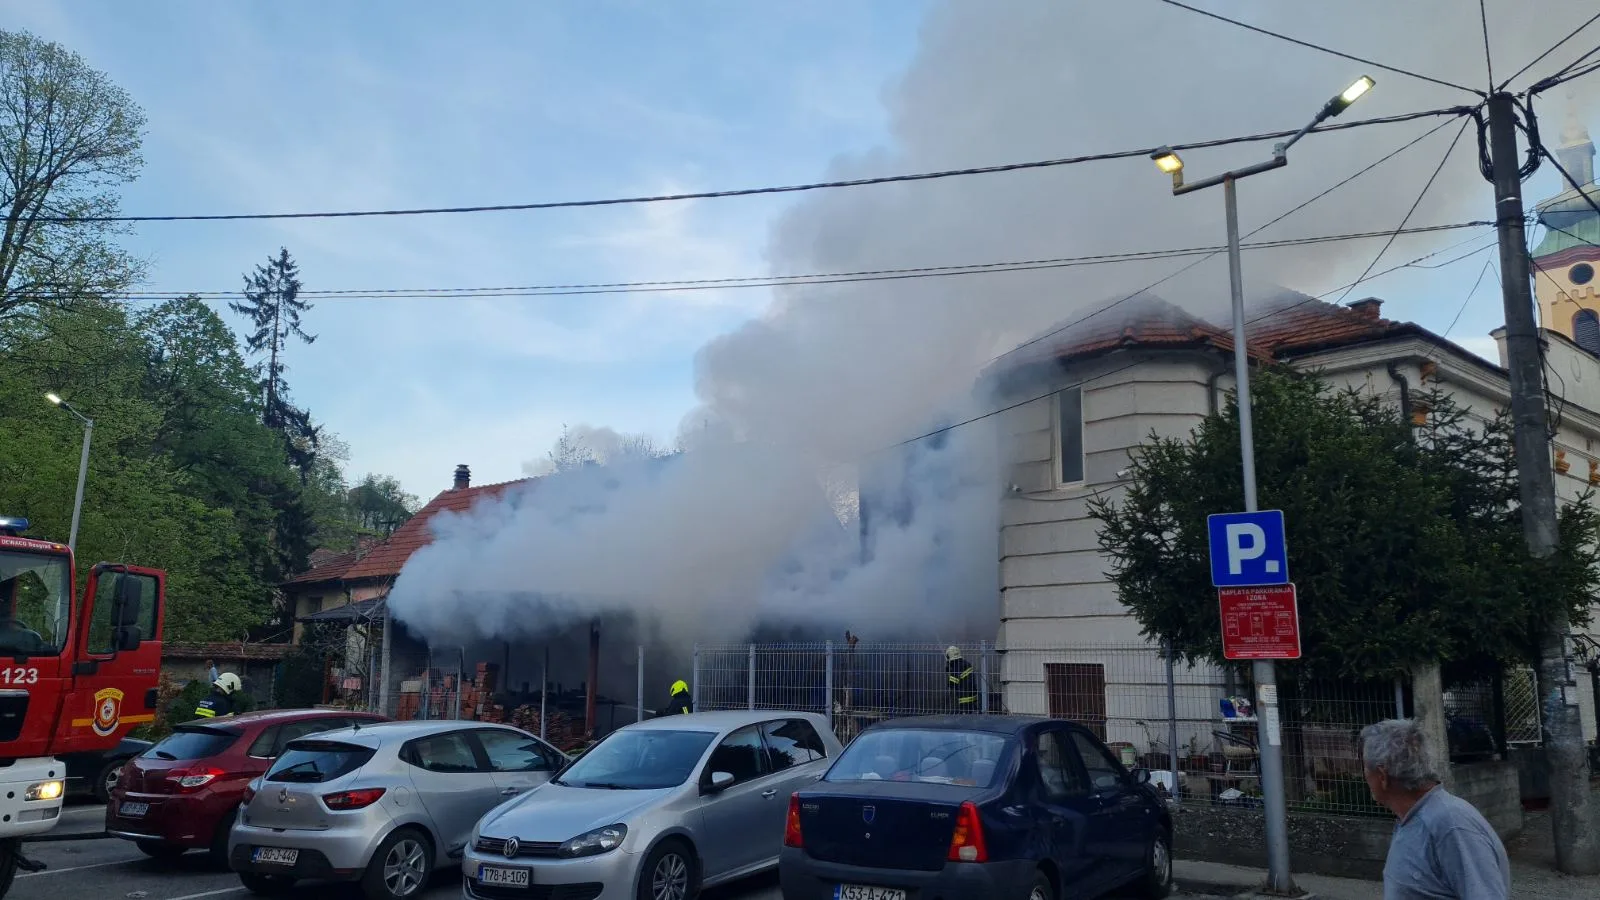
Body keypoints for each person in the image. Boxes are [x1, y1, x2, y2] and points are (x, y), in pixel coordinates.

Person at [1360, 718, 1510, 900]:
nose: (1364, 777)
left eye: (1365, 769)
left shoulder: (1451, 825)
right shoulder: (1411, 818)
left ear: (1382, 776)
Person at [945, 646, 977, 712]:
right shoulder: (966, 663)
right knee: (973, 713)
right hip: (973, 693)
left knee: (965, 715)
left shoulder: (955, 667)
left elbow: (952, 683)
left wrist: (950, 672)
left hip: (964, 696)